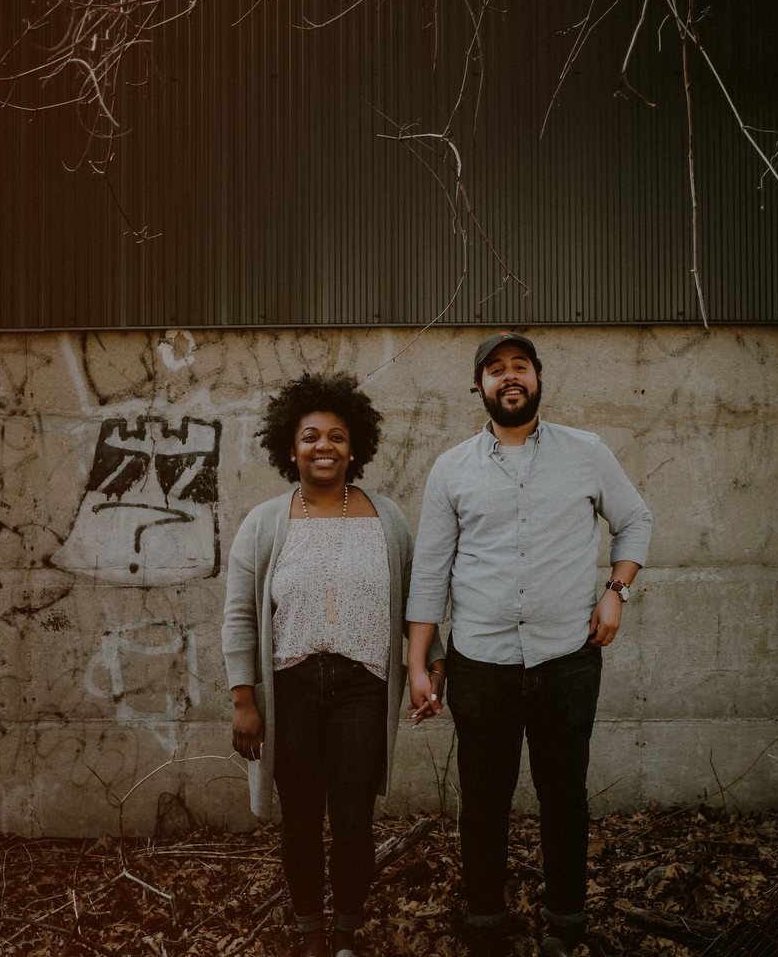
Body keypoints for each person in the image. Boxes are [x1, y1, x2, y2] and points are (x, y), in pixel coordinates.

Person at [404, 332, 652, 957]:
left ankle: (565, 925)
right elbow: (430, 571)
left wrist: (616, 589)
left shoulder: (586, 453)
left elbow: (635, 519)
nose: (508, 377)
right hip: (480, 666)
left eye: (519, 367)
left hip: (567, 661)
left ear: (538, 377)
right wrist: (417, 663)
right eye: (494, 370)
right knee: (482, 802)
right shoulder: (451, 468)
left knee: (564, 796)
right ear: (480, 387)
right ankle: (486, 925)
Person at [222, 371, 445, 957]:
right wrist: (244, 699)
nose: (325, 446)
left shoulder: (387, 518)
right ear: (289, 447)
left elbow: (416, 604)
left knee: (351, 819)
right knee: (299, 820)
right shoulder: (265, 523)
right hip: (291, 690)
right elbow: (240, 616)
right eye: (311, 436)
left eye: (338, 436)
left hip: (361, 689)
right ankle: (309, 933)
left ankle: (346, 930)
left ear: (356, 446)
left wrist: (431, 665)